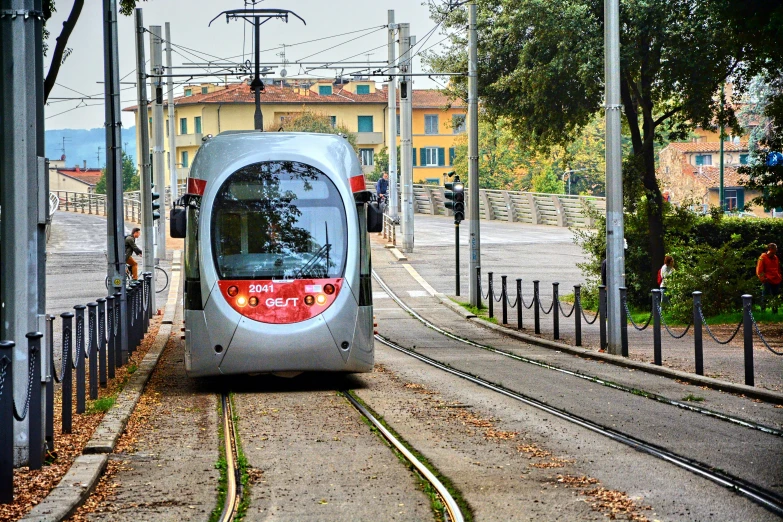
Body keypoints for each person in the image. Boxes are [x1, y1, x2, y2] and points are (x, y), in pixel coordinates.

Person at [757, 243, 782, 312]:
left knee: (775, 296)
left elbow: (778, 268)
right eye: (774, 249)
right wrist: (762, 279)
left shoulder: (776, 258)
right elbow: (759, 270)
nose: (775, 251)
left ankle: (775, 312)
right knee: (765, 296)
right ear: (770, 249)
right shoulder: (763, 257)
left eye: (776, 249)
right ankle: (763, 311)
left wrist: (779, 276)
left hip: (776, 279)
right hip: (767, 279)